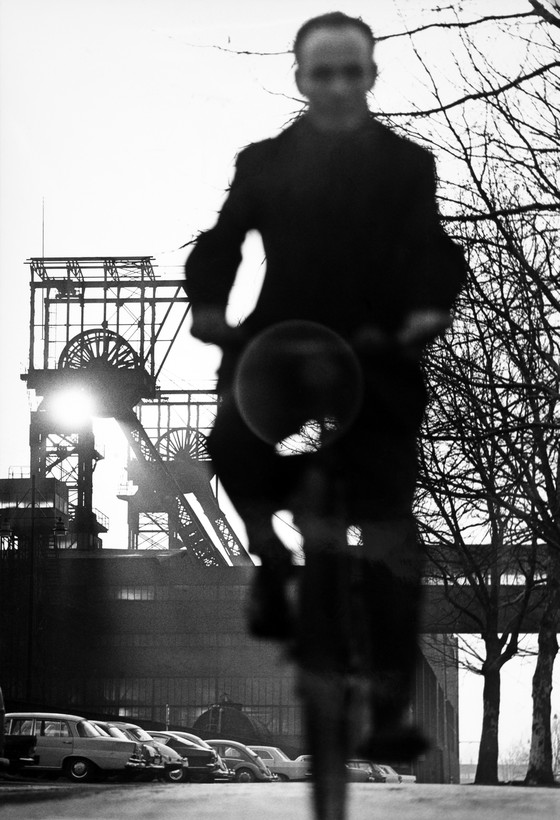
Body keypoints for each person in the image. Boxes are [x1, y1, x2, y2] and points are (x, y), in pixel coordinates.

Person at [184, 10, 466, 777]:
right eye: (323, 72)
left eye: (352, 71)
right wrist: (210, 307)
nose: (338, 86)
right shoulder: (263, 162)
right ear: (302, 77)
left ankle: (389, 710)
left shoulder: (409, 166)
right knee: (231, 442)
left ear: (370, 76)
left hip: (374, 352)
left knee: (389, 526)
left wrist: (426, 311)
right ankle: (271, 555)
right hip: (283, 341)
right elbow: (220, 242)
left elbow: (434, 249)